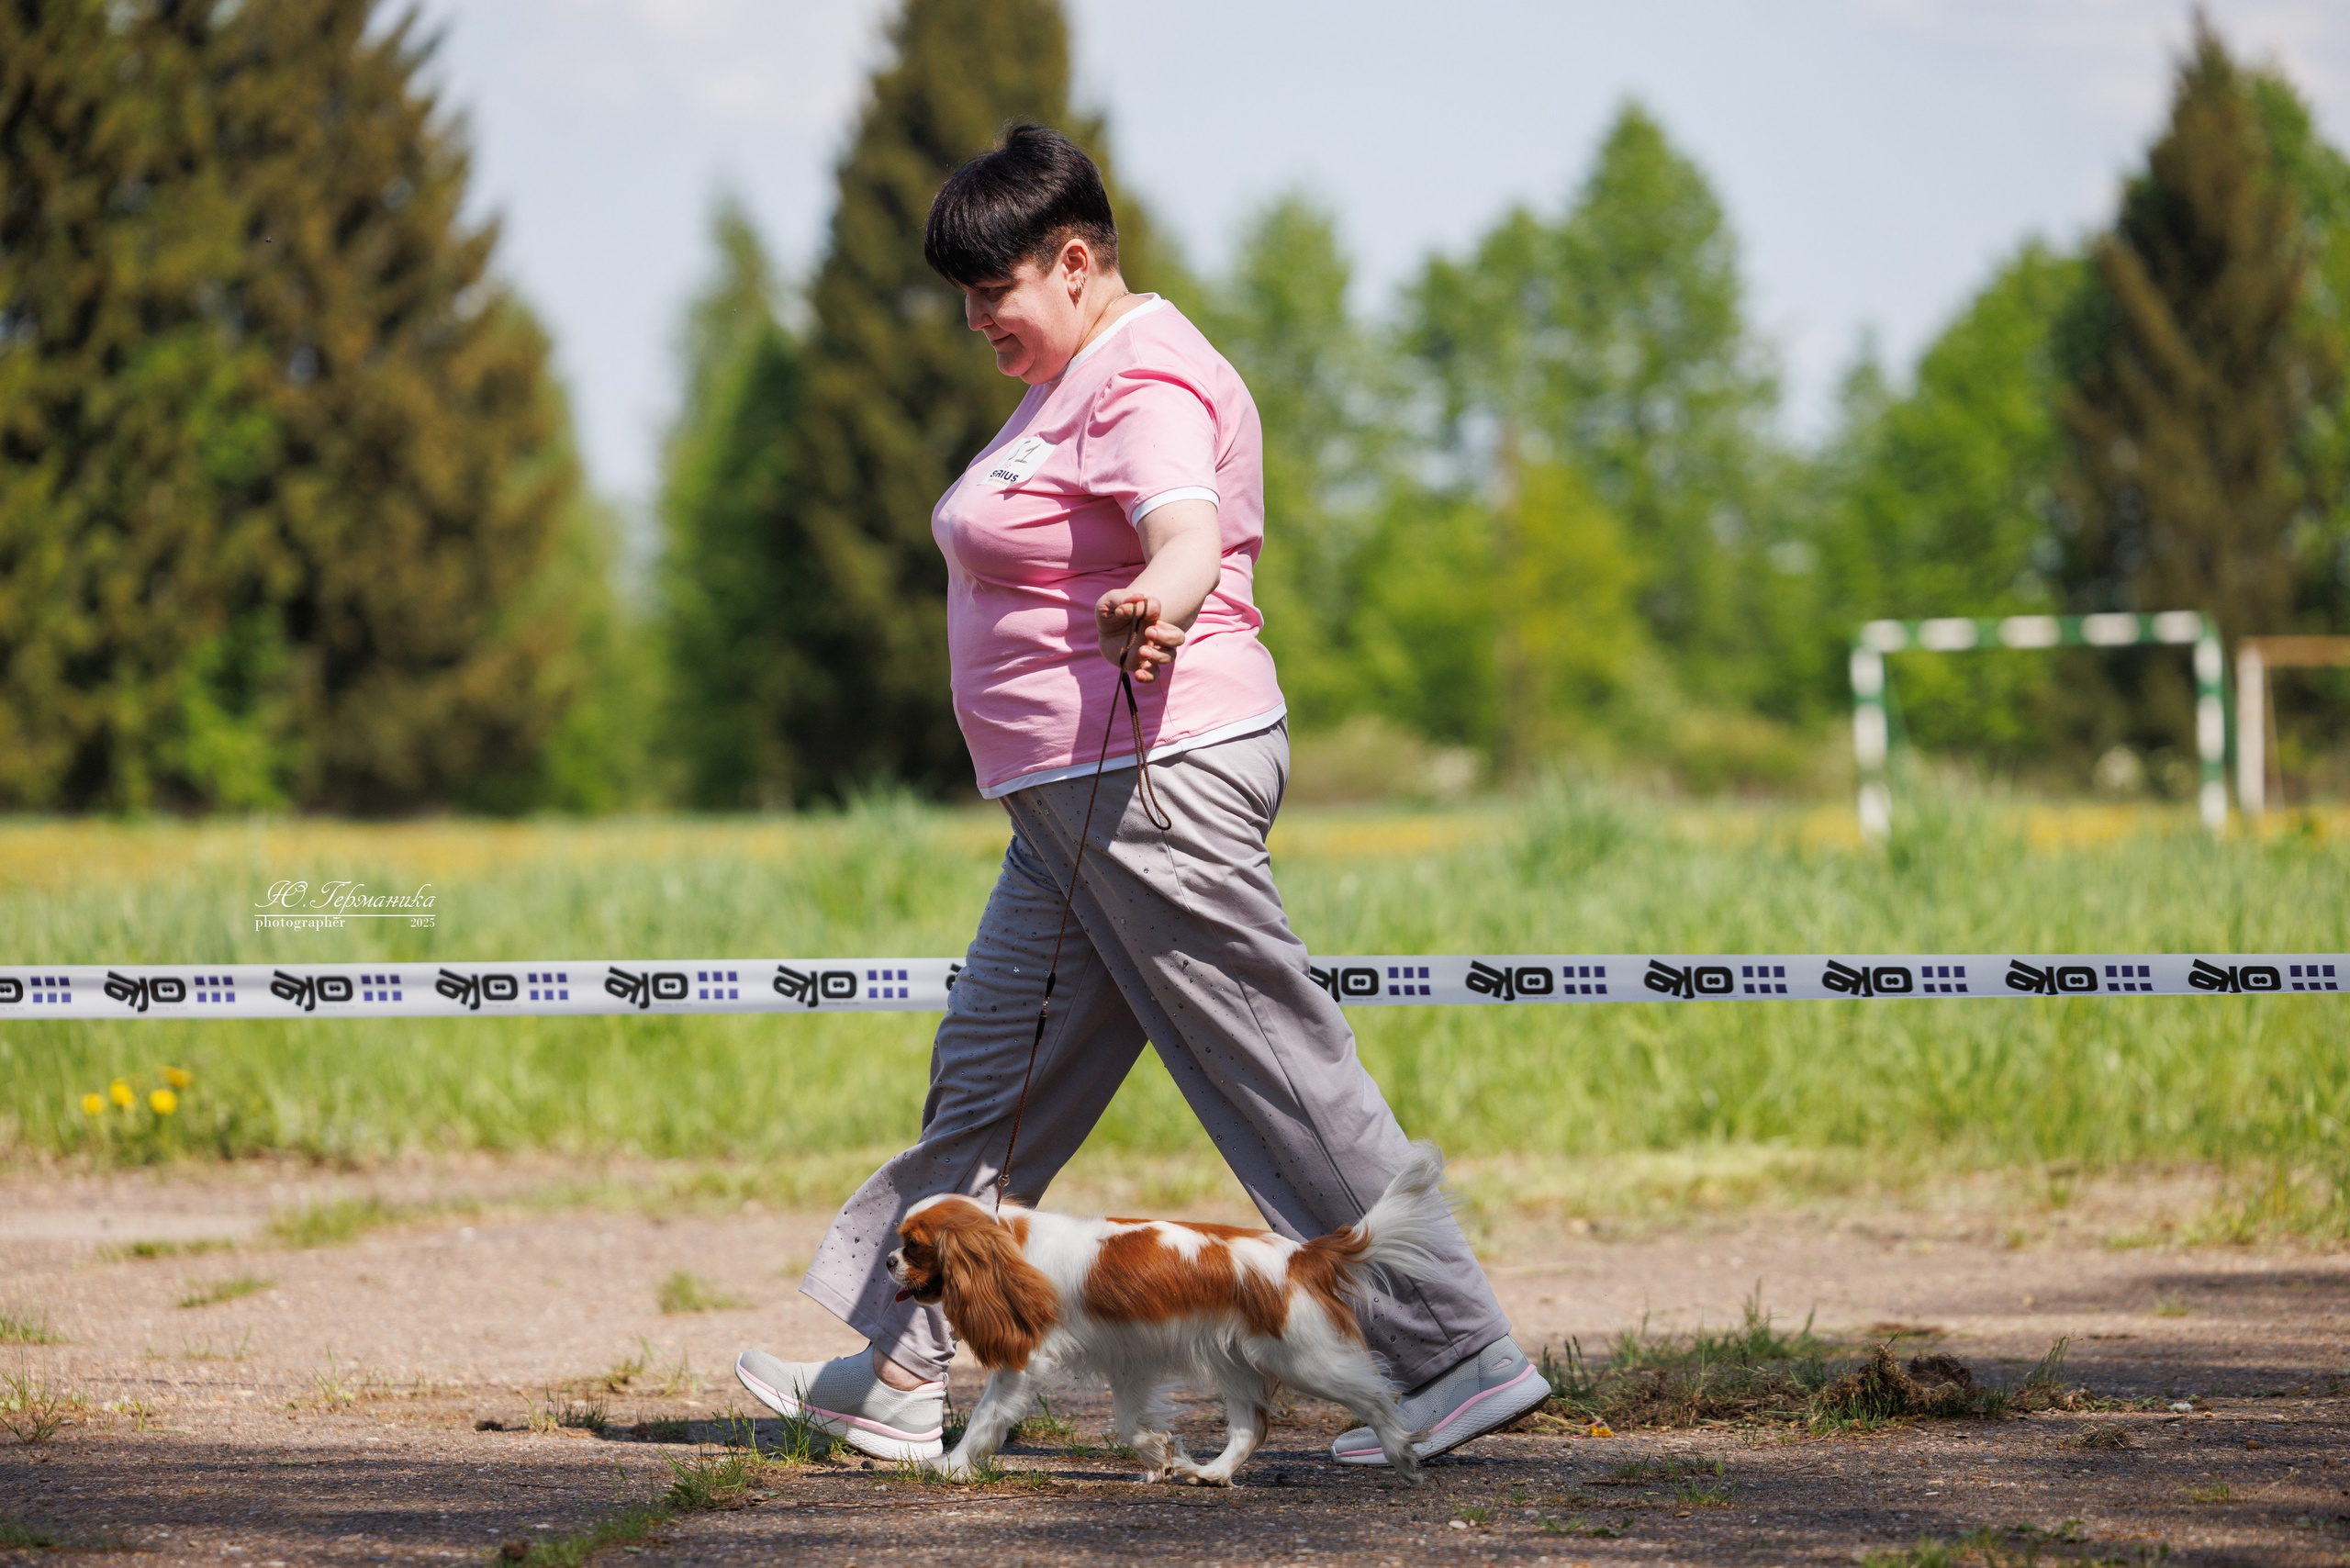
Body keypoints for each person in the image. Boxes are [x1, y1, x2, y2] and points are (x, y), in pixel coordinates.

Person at [733, 123, 1547, 1470]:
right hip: (1075, 801)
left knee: (1278, 1072)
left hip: (1148, 780)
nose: (978, 318)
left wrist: (1158, 607)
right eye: (965, 296)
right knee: (992, 1083)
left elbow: (1188, 533)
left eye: (996, 289)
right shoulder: (1074, 375)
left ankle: (1456, 1355)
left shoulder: (1144, 371)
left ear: (1074, 258)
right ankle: (899, 1369)